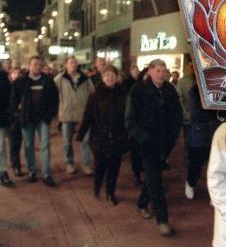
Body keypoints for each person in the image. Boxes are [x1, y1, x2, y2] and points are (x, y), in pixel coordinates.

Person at [125, 59, 182, 236]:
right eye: (158, 70)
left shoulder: (169, 90)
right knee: (156, 180)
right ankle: (162, 220)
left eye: (164, 71)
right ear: (149, 71)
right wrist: (141, 137)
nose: (162, 74)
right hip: (146, 143)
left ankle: (142, 203)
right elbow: (130, 119)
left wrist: (173, 137)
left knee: (153, 175)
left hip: (164, 143)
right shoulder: (138, 90)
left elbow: (177, 114)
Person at [77, 65, 128, 206]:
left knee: (114, 167)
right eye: (107, 75)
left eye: (112, 75)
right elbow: (88, 116)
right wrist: (81, 134)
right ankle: (96, 187)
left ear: (117, 77)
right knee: (100, 166)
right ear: (102, 77)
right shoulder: (95, 95)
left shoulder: (123, 93)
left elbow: (128, 116)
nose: (110, 78)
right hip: (99, 138)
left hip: (117, 138)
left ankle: (110, 193)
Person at [9, 56, 59, 186]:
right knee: (28, 145)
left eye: (39, 65)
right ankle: (32, 171)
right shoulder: (21, 81)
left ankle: (46, 174)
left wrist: (51, 114)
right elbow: (13, 99)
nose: (37, 67)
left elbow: (55, 99)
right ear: (29, 66)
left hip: (43, 118)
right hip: (27, 118)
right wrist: (17, 112)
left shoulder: (48, 81)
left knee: (45, 146)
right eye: (35, 64)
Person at [54, 56, 95, 175]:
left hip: (83, 114)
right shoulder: (60, 78)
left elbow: (92, 93)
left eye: (75, 63)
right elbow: (52, 92)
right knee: (67, 142)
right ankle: (69, 163)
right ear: (66, 65)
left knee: (86, 141)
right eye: (71, 63)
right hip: (66, 114)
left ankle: (86, 164)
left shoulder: (85, 79)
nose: (74, 65)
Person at [184, 84, 220, 199]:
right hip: (200, 132)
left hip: (215, 130)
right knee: (196, 162)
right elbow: (195, 112)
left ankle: (214, 191)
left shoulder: (218, 88)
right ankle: (190, 183)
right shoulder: (195, 89)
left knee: (216, 164)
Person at [176, 60, 196, 164]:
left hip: (196, 115)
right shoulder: (183, 81)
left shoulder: (196, 79)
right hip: (189, 116)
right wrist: (185, 113)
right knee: (188, 138)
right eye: (191, 66)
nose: (192, 69)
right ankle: (189, 156)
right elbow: (179, 99)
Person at [7, 68, 23, 176]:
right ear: (11, 75)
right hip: (10, 118)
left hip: (21, 117)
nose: (16, 75)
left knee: (19, 142)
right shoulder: (6, 85)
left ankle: (15, 162)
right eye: (14, 73)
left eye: (19, 73)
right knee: (14, 142)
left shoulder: (23, 86)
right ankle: (16, 164)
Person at [0, 69, 13, 186]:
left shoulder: (4, 79)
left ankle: (3, 171)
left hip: (1, 117)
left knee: (1, 147)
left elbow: (10, 98)